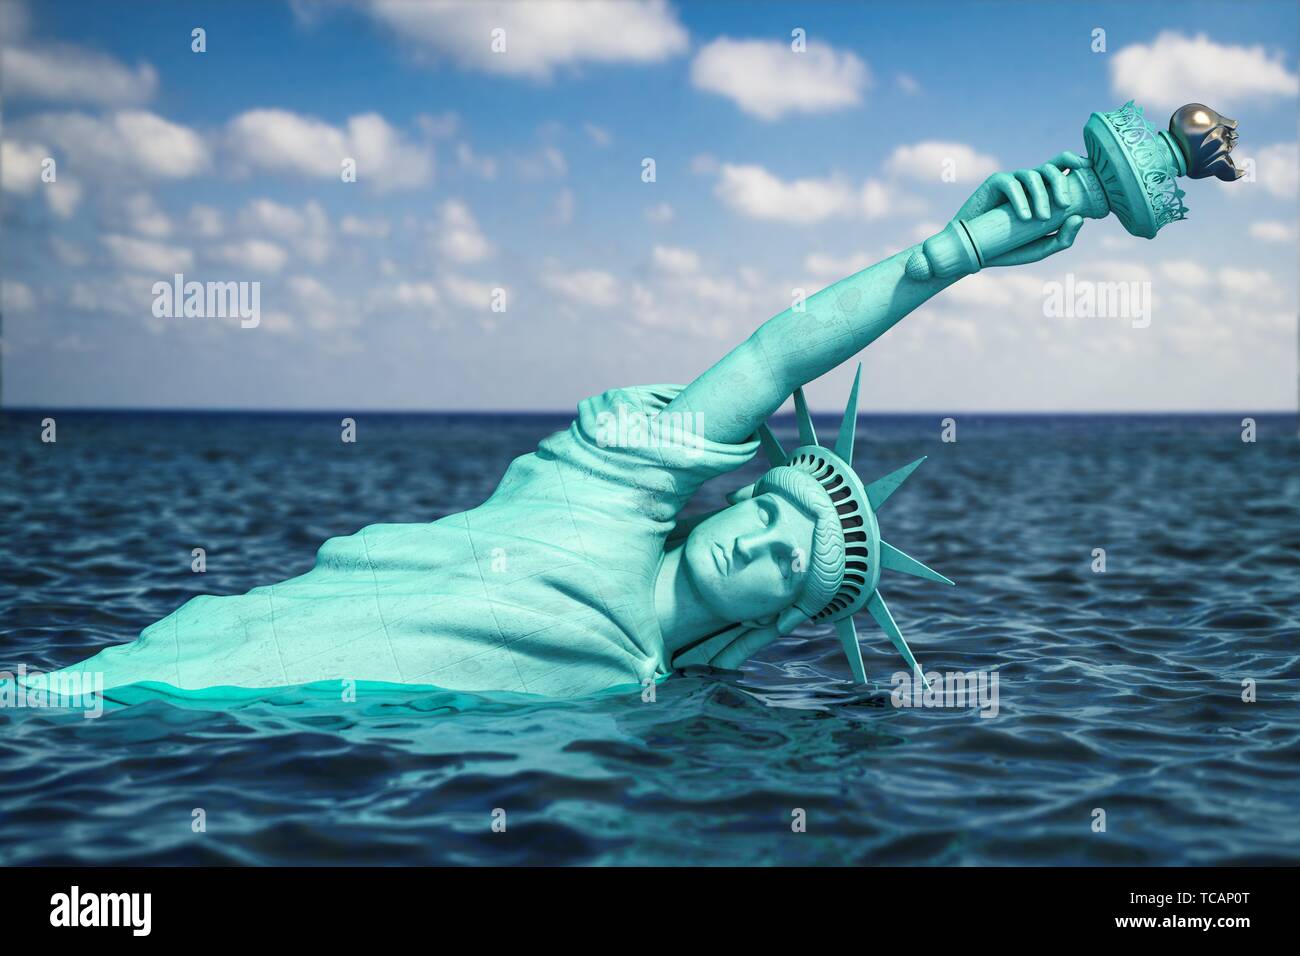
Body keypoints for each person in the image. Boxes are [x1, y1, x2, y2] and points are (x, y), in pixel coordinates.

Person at [52, 156, 1090, 700]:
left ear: (787, 617)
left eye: (787, 562)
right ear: (740, 485)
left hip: (285, 766)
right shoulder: (611, 494)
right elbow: (776, 355)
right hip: (206, 668)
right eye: (772, 508)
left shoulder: (643, 688)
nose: (760, 537)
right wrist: (949, 252)